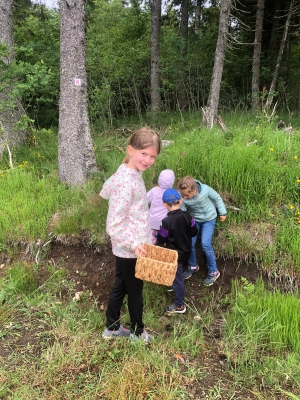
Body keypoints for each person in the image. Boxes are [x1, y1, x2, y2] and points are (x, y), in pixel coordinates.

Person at [100, 127, 161, 342]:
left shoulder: (127, 172)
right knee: (135, 292)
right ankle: (137, 332)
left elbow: (106, 189)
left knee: (121, 285)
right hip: (130, 249)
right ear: (130, 150)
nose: (148, 160)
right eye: (143, 154)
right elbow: (114, 224)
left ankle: (112, 327)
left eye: (153, 156)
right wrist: (135, 243)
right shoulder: (126, 181)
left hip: (129, 246)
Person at [177, 176, 227, 286]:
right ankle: (193, 265)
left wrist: (222, 212)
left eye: (187, 195)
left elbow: (217, 198)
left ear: (195, 190)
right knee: (189, 242)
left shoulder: (205, 190)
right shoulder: (183, 197)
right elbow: (183, 211)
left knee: (205, 244)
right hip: (195, 220)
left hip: (209, 219)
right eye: (183, 195)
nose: (185, 197)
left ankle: (214, 271)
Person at [157, 188, 198, 314]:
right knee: (176, 273)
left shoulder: (166, 222)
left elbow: (161, 238)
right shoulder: (188, 216)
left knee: (178, 280)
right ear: (180, 201)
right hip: (186, 251)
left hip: (174, 255)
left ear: (164, 204)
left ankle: (180, 305)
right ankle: (172, 283)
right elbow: (194, 231)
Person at [147, 169, 175, 245]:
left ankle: (150, 255)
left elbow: (145, 200)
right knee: (166, 242)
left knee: (151, 243)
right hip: (165, 224)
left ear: (159, 180)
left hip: (153, 222)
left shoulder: (154, 191)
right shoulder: (173, 193)